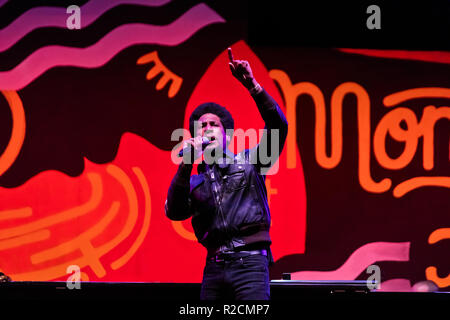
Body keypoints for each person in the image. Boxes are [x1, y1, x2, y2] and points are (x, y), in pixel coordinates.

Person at [165, 48, 288, 300]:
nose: (207, 128)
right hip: (214, 267)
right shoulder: (194, 180)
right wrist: (186, 163)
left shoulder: (251, 161)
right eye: (202, 126)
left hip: (250, 265)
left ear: (226, 134)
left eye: (214, 124)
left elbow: (278, 126)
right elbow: (174, 211)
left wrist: (253, 87)